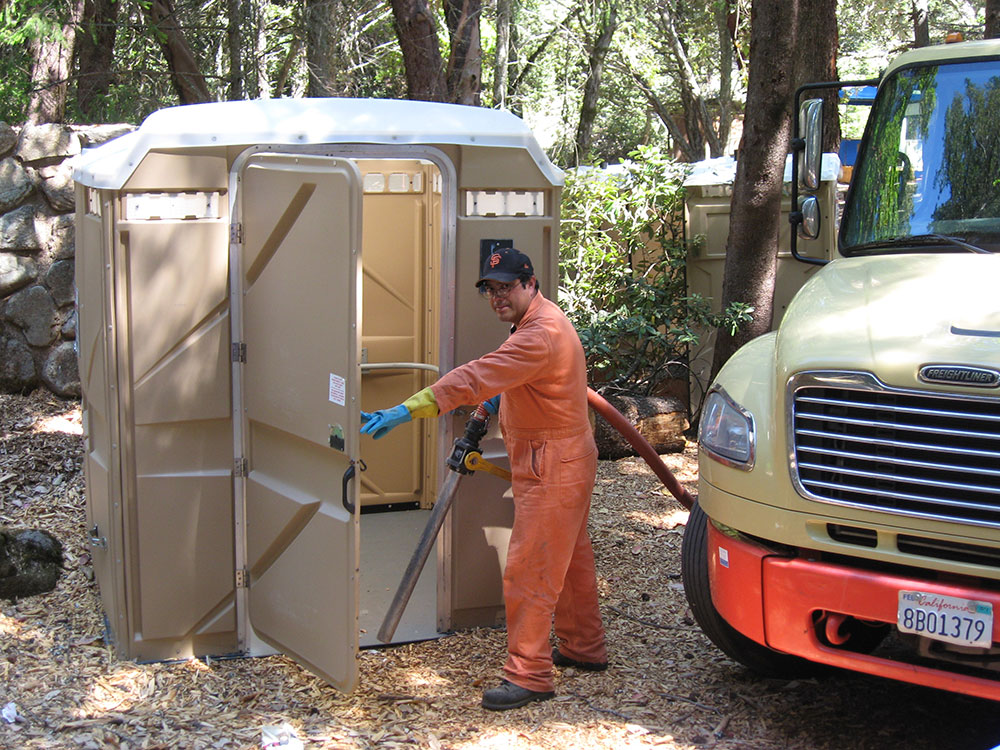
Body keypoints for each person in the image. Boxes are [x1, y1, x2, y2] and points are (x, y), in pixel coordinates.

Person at [360, 246, 607, 711]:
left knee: (529, 568)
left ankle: (530, 675)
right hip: (561, 458)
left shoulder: (539, 334)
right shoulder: (537, 321)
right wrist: (493, 404)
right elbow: (513, 377)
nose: (498, 297)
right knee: (570, 559)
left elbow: (480, 375)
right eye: (490, 290)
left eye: (506, 288)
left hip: (552, 462)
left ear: (531, 284)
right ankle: (583, 647)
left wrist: (407, 409)